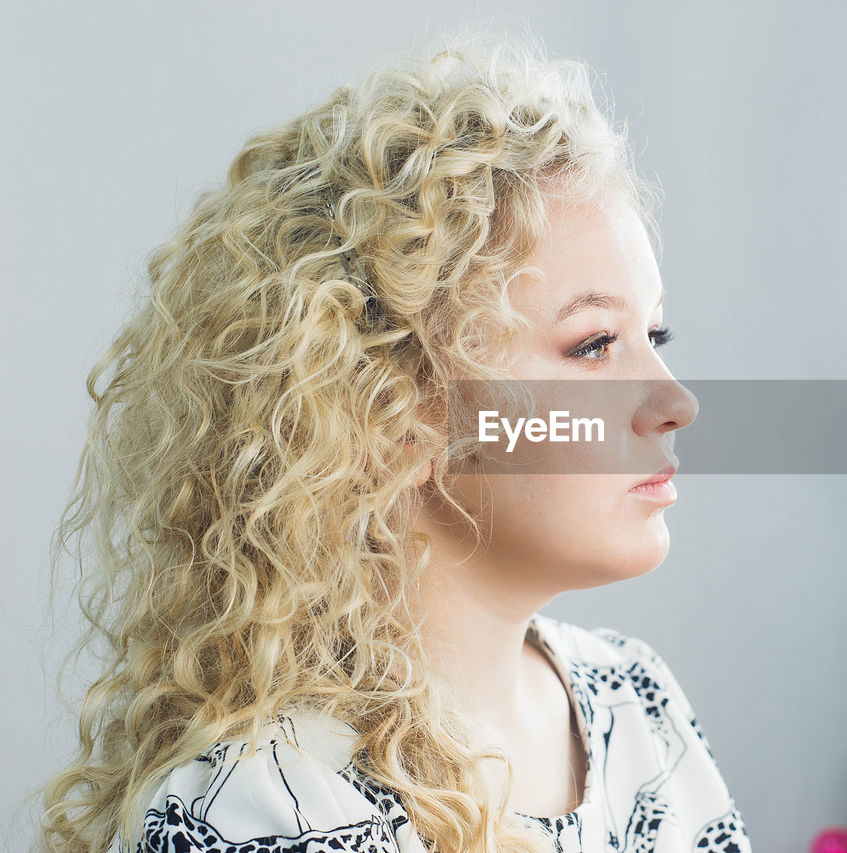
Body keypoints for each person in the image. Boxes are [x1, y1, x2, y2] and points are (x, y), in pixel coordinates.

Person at [33, 28, 751, 853]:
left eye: (656, 333)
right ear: (392, 414)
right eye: (593, 344)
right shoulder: (266, 807)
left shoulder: (635, 704)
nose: (675, 401)